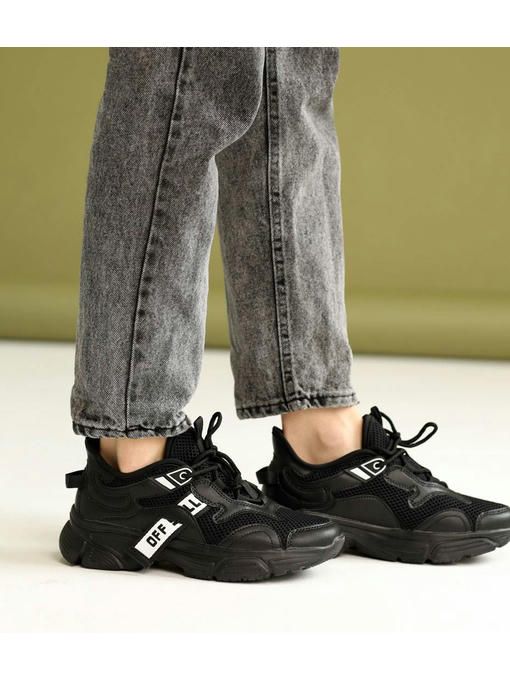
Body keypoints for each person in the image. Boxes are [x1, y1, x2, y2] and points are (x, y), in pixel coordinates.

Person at [60, 47, 510, 581]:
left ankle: (322, 446)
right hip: (134, 475)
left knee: (289, 76)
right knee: (181, 68)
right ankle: (134, 462)